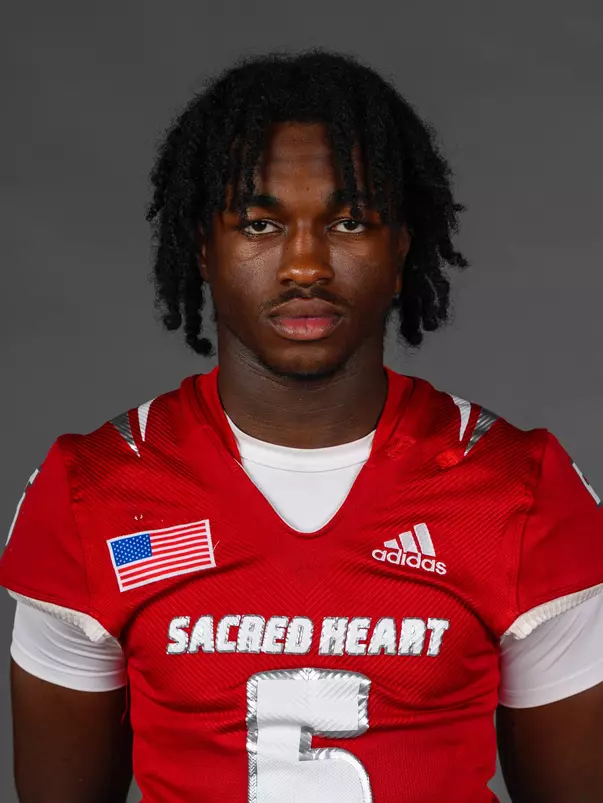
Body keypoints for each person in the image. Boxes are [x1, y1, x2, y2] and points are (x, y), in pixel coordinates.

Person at [1, 49, 602, 803]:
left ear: (401, 244)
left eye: (348, 220)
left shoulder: (518, 491)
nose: (305, 264)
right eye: (258, 223)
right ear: (202, 248)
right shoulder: (93, 490)